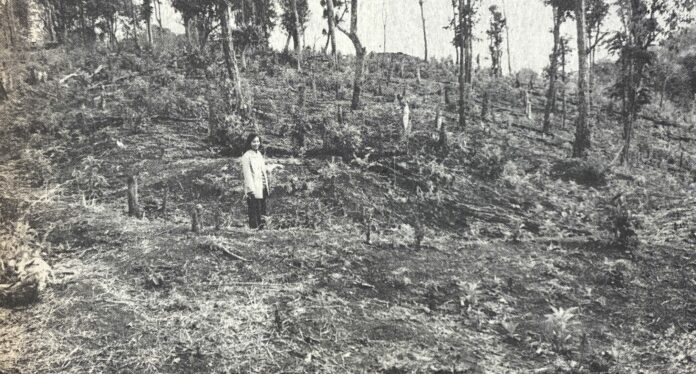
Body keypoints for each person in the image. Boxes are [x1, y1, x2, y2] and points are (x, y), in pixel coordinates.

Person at [240, 133, 269, 229]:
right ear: (249, 143)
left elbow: (263, 170)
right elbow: (247, 174)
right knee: (254, 209)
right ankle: (254, 229)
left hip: (262, 186)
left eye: (257, 141)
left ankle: (262, 228)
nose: (256, 144)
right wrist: (251, 189)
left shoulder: (259, 154)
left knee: (261, 209)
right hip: (253, 188)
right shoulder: (246, 156)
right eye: (254, 142)